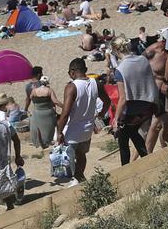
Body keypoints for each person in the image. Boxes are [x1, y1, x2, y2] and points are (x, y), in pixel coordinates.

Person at [109, 36, 159, 165]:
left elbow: (123, 98)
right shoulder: (142, 59)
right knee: (132, 132)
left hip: (133, 109)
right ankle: (147, 159)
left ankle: (126, 167)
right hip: (148, 105)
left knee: (123, 138)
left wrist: (116, 121)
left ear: (115, 50)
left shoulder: (120, 69)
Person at [55, 58, 99, 184]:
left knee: (67, 157)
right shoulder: (95, 82)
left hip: (73, 130)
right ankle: (79, 178)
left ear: (72, 72)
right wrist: (99, 114)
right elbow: (106, 101)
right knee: (81, 154)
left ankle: (79, 179)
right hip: (88, 128)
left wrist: (59, 132)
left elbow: (65, 113)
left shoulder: (71, 87)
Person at [28, 74, 60, 149]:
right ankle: (46, 142)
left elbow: (30, 98)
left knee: (38, 128)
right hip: (47, 113)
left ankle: (37, 142)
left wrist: (36, 103)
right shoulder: (49, 90)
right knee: (48, 129)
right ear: (47, 83)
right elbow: (55, 101)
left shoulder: (34, 90)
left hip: (37, 112)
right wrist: (64, 106)